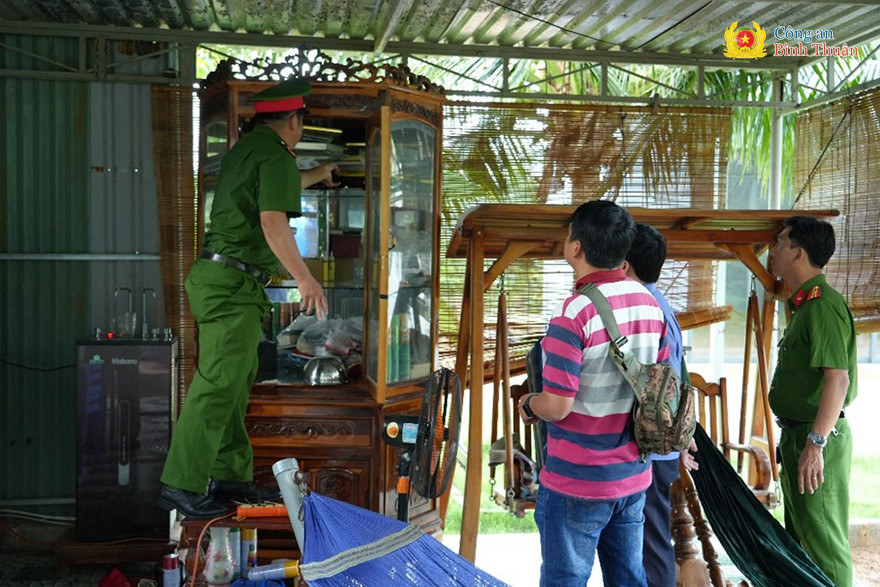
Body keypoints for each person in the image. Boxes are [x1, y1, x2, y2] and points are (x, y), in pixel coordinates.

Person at [159, 78, 339, 518]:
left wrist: (320, 173)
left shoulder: (248, 149)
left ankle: (230, 478)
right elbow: (272, 223)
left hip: (224, 281)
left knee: (233, 388)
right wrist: (305, 279)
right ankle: (180, 484)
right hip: (231, 287)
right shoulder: (276, 155)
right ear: (294, 121)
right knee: (218, 385)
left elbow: (283, 184)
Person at [517, 200, 668, 587]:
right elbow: (661, 389)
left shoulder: (574, 314)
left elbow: (557, 405)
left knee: (564, 581)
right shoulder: (650, 305)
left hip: (577, 483)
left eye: (568, 235)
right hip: (633, 478)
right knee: (628, 579)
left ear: (576, 247)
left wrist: (530, 404)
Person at [768, 215, 858, 587]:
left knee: (822, 542)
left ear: (798, 254)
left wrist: (816, 444)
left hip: (816, 439)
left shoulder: (822, 306)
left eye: (780, 243)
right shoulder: (804, 306)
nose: (773, 250)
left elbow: (838, 379)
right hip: (799, 437)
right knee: (802, 542)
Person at [622, 223, 683, 587]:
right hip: (659, 449)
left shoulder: (644, 310)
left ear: (624, 264)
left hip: (649, 448)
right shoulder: (660, 303)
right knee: (648, 541)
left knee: (651, 545)